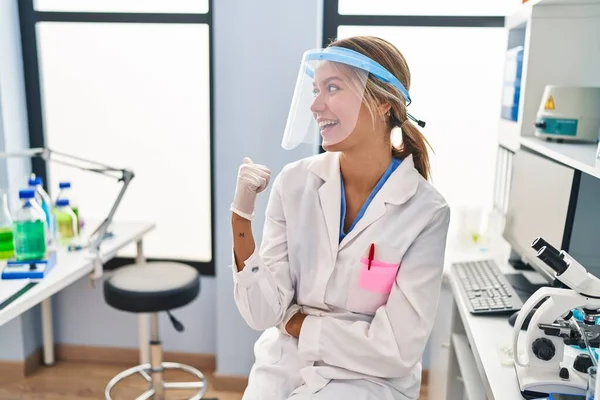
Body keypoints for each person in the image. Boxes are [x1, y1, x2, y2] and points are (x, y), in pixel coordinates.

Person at [230, 35, 451, 400]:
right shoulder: (295, 183)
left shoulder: (425, 212)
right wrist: (241, 219)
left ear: (382, 103)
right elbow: (263, 313)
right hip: (285, 363)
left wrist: (299, 323)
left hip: (368, 380)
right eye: (315, 89)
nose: (315, 105)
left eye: (331, 88)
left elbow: (395, 350)